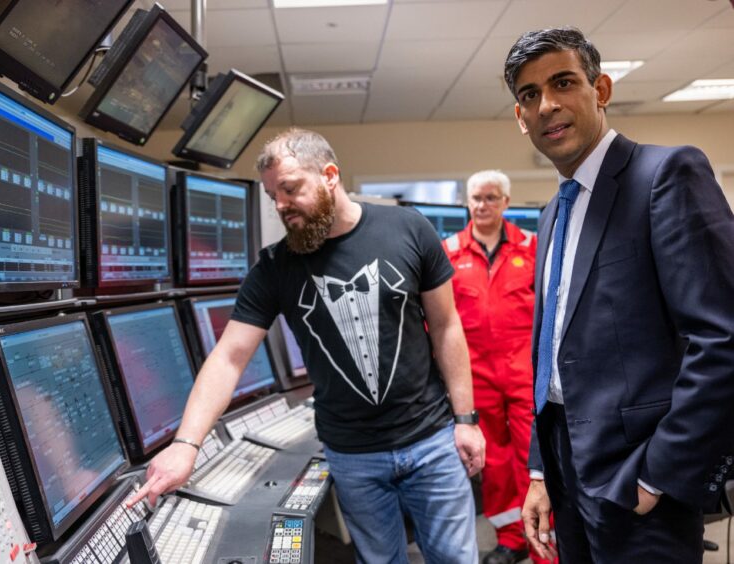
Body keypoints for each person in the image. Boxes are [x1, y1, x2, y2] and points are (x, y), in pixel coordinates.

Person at [129, 128, 486, 564]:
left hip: (431, 440)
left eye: (290, 188)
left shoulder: (409, 229)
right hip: (353, 456)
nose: (280, 204)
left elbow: (447, 325)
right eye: (272, 194)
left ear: (330, 175)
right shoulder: (277, 266)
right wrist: (187, 444)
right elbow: (229, 357)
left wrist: (466, 418)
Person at [503, 27, 734, 563]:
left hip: (639, 476)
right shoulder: (553, 211)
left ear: (600, 89)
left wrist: (661, 473)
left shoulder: (665, 175)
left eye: (563, 82)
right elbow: (552, 357)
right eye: (529, 95)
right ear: (520, 117)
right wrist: (540, 471)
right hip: (565, 468)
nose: (547, 105)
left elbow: (723, 338)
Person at [443, 171, 550, 564]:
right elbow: (436, 318)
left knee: (535, 459)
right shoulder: (449, 250)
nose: (482, 205)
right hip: (476, 377)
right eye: (475, 197)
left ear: (506, 202)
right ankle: (511, 537)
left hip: (525, 374)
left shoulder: (533, 246)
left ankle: (545, 540)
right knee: (495, 463)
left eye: (491, 197)